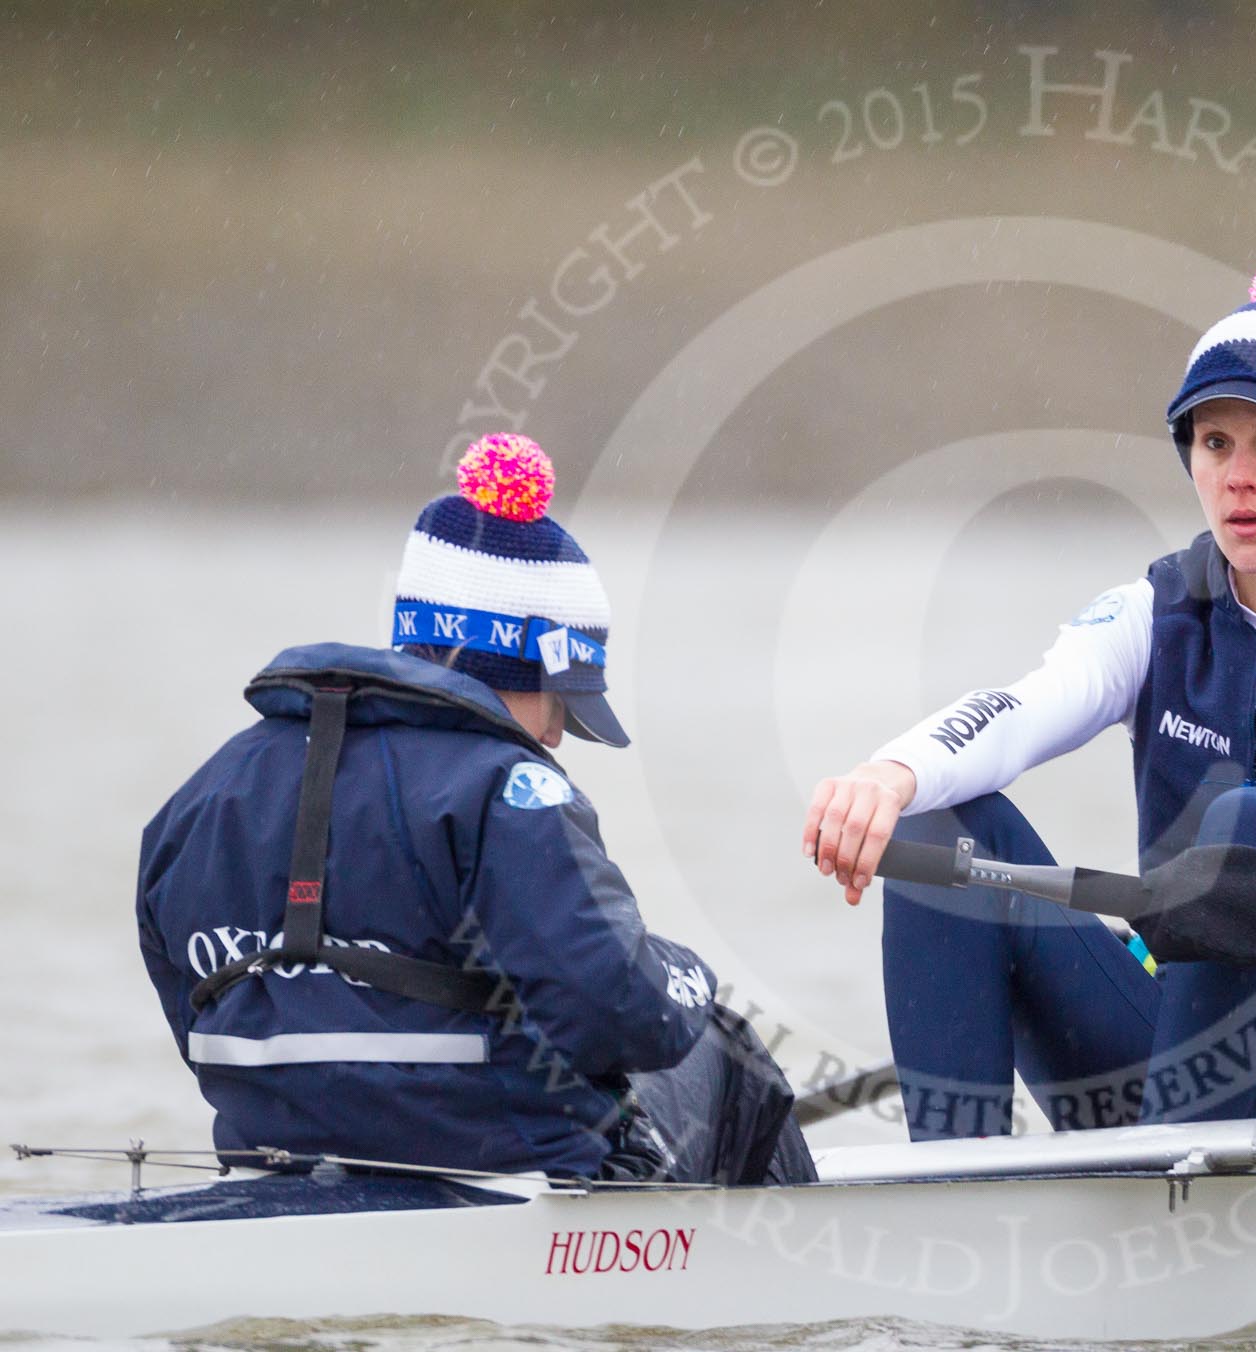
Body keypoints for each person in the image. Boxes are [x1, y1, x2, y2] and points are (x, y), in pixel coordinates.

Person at [805, 251, 1256, 1139]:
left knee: (1247, 829)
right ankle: (959, 1190)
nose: (1237, 476)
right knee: (935, 825)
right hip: (1201, 1047)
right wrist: (891, 774)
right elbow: (1025, 706)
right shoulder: (1157, 608)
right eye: (1215, 444)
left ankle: (1169, 1203)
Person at [137, 435, 812, 1183]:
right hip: (497, 1161)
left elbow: (186, 1002)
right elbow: (622, 1012)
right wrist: (687, 973)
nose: (560, 732)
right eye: (562, 699)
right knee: (716, 1041)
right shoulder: (510, 788)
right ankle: (774, 1279)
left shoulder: (204, 791)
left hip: (283, 1159)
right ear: (508, 666)